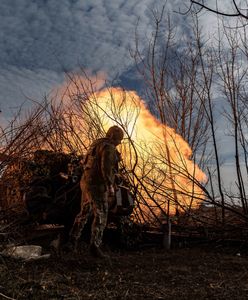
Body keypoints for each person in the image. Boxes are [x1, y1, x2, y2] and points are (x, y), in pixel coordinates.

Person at [70, 125, 124, 258]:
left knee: (84, 212)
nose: (118, 143)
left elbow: (86, 164)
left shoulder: (95, 145)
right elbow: (105, 169)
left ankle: (71, 241)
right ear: (112, 137)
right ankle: (95, 246)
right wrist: (111, 185)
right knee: (101, 214)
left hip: (86, 182)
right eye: (118, 139)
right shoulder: (108, 147)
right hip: (97, 185)